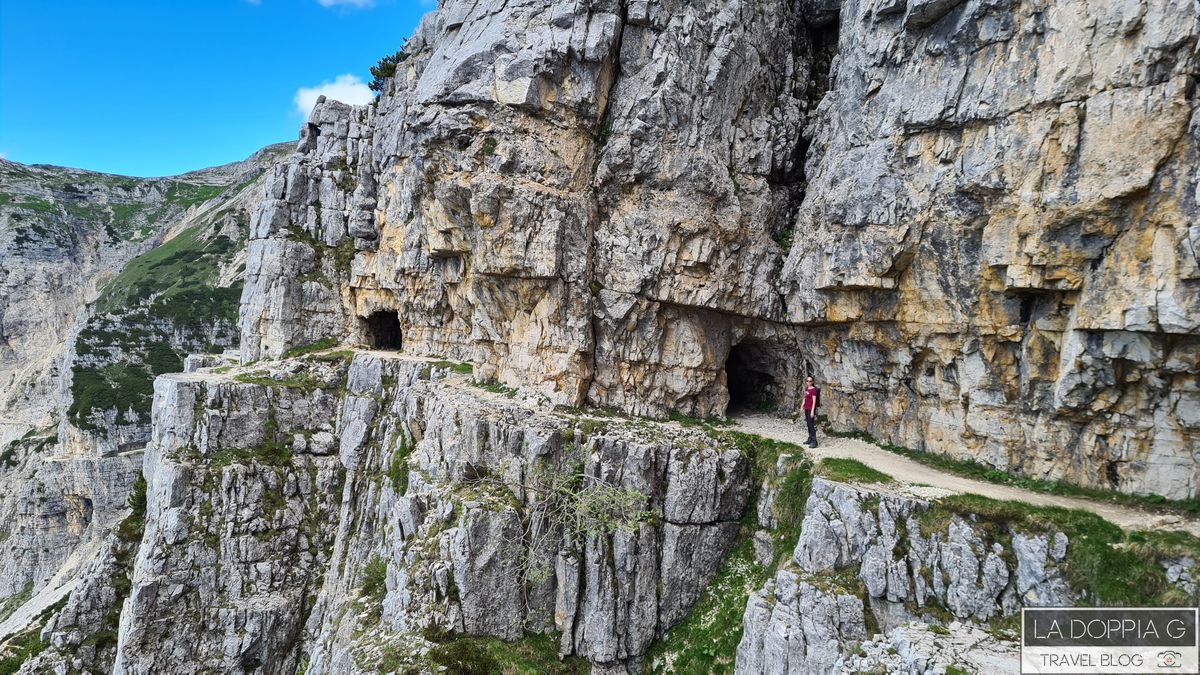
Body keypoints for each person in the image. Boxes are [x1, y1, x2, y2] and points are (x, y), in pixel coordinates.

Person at [802, 377, 821, 447]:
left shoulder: (814, 390)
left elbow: (814, 401)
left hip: (810, 409)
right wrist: (802, 406)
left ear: (812, 382)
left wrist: (812, 411)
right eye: (807, 381)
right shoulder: (807, 388)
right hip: (806, 408)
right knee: (808, 423)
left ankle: (814, 441)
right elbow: (804, 397)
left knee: (811, 424)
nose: (808, 382)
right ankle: (810, 438)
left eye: (810, 381)